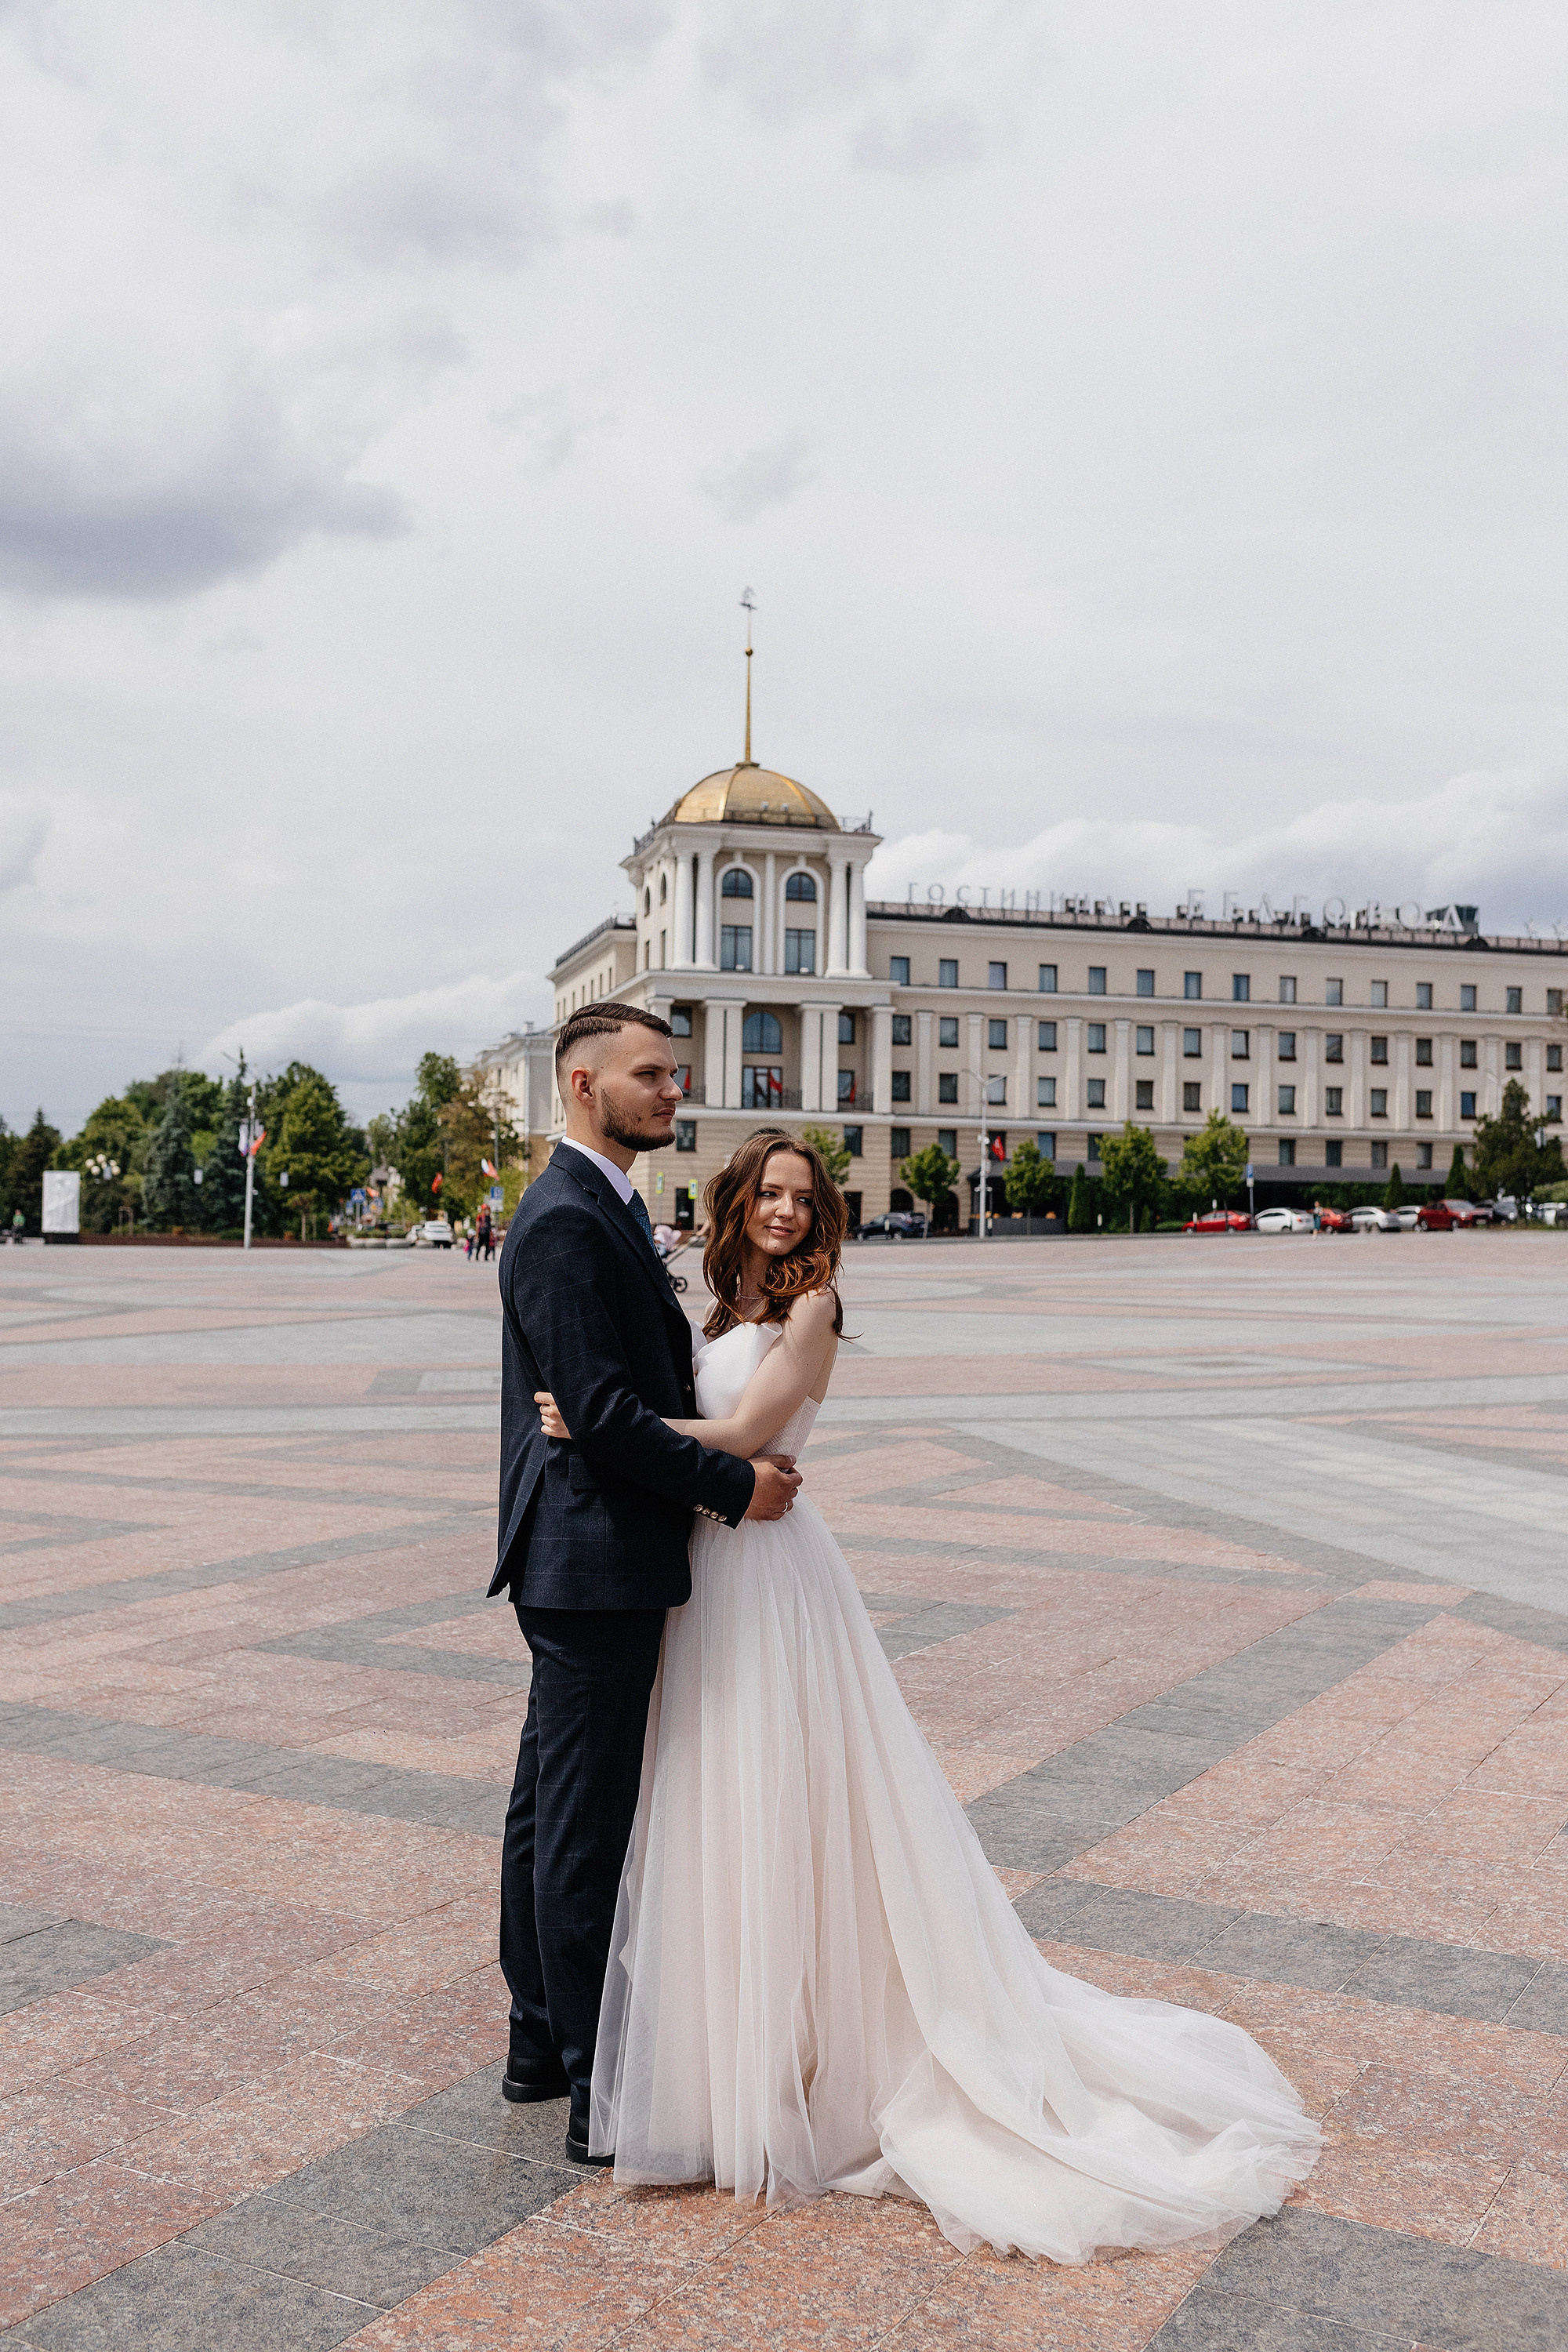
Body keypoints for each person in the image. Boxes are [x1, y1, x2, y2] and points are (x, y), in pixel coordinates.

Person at [534, 1127, 1320, 2262]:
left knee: (781, 1794)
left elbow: (752, 1436)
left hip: (767, 1575)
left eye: (804, 1199)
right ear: (737, 1201)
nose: (786, 1213)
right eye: (770, 1193)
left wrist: (603, 1427)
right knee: (714, 1795)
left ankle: (810, 2054)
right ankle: (749, 2045)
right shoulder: (718, 1309)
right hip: (706, 1566)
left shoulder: (813, 1312)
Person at [490, 1009, 801, 2167]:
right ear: (582, 1085)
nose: (675, 1090)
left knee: (546, 1807)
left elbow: (608, 1400)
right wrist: (732, 1484)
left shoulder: (602, 1204)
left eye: (675, 1073)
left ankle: (536, 2037)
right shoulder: (566, 1218)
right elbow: (607, 1415)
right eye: (651, 1075)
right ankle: (591, 2082)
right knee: (583, 1821)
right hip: (594, 1556)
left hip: (588, 1549)